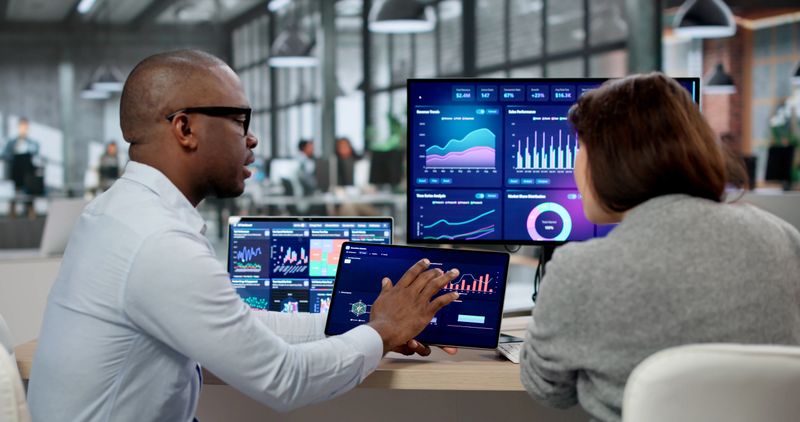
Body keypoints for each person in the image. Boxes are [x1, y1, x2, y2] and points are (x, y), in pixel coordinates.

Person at [27, 50, 460, 421]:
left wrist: (369, 324)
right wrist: (381, 333)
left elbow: (246, 325)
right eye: (238, 120)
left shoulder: (120, 212)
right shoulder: (158, 241)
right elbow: (284, 378)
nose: (251, 139)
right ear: (185, 129)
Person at [519, 73, 800, 422]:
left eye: (581, 148)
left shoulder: (581, 270)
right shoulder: (785, 239)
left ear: (611, 160)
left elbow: (548, 390)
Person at [2, 117, 41, 218]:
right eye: (22, 126)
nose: (23, 129)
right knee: (14, 194)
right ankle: (12, 215)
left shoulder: (32, 143)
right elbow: (4, 154)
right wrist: (13, 153)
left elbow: (36, 153)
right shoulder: (12, 142)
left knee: (29, 195)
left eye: (25, 127)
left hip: (28, 174)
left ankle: (31, 214)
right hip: (16, 172)